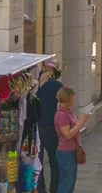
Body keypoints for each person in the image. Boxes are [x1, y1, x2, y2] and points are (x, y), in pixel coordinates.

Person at [54, 87, 91, 193]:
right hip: (65, 152)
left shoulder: (68, 111)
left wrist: (82, 119)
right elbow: (68, 135)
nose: (74, 99)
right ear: (67, 98)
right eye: (72, 97)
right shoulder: (61, 114)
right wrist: (81, 122)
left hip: (72, 151)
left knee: (71, 183)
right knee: (66, 183)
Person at [37, 62, 63, 193]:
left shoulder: (35, 85)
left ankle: (40, 189)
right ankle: (54, 189)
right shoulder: (58, 85)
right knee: (55, 161)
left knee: (38, 161)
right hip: (51, 127)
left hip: (36, 128)